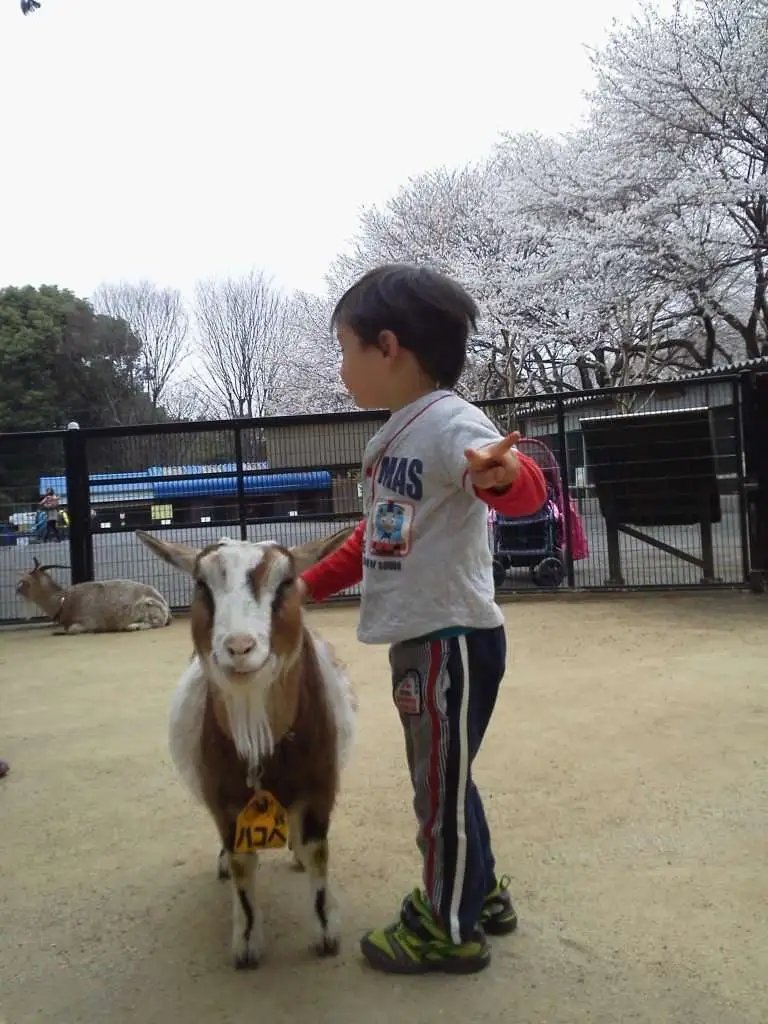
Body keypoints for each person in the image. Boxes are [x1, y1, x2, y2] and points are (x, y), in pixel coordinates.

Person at [296, 264, 547, 975]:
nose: (342, 369)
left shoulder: (452, 422)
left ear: (387, 346)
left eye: (345, 352)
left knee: (435, 789)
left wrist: (505, 478)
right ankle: (479, 892)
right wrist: (307, 584)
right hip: (426, 641)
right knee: (447, 777)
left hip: (450, 640)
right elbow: (374, 537)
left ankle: (448, 927)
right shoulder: (396, 439)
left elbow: (512, 485)